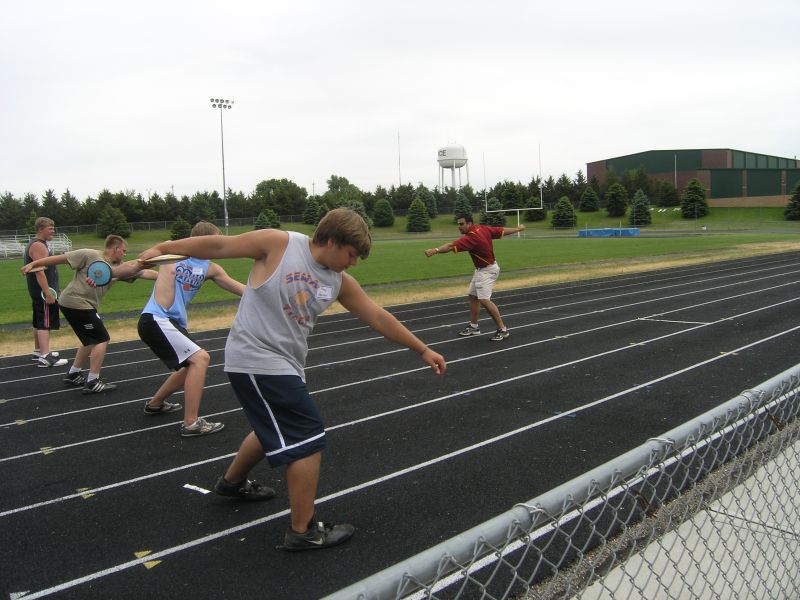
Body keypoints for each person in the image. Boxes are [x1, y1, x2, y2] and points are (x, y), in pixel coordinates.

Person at [139, 208, 446, 551]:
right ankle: (303, 531)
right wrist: (164, 247)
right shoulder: (278, 244)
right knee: (308, 433)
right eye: (352, 254)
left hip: (284, 366)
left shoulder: (338, 281)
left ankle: (231, 483)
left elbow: (377, 316)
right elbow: (217, 245)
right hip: (255, 359)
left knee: (271, 428)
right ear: (332, 241)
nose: (354, 262)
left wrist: (422, 349)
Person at [138, 221, 246, 438]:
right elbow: (146, 257)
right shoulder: (175, 254)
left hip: (172, 323)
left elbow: (240, 288)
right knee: (201, 359)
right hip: (157, 317)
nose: (219, 246)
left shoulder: (211, 268)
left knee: (189, 365)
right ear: (204, 242)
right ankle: (191, 423)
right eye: (216, 241)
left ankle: (155, 403)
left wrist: (271, 295)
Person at [22, 235, 156, 394]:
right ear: (115, 248)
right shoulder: (90, 255)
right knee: (102, 338)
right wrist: (34, 263)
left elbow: (143, 273)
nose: (125, 254)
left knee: (90, 340)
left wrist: (169, 278)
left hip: (81, 305)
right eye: (124, 251)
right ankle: (93, 381)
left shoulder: (116, 268)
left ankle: (73, 373)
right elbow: (60, 259)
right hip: (76, 302)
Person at [424, 214, 525, 341]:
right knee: (473, 297)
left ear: (470, 224)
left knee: (484, 300)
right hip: (481, 270)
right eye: (458, 224)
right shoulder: (483, 229)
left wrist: (435, 250)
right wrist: (518, 229)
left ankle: (502, 329)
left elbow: (450, 246)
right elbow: (502, 231)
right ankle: (474, 327)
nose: (459, 227)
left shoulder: (472, 238)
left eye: (461, 224)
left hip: (487, 270)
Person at [24, 217, 67, 367]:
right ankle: (45, 356)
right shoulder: (38, 246)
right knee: (44, 323)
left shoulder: (39, 244)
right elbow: (39, 271)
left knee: (39, 320)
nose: (53, 231)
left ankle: (38, 351)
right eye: (50, 228)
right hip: (43, 292)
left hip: (44, 290)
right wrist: (48, 292)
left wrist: (55, 287)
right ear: (40, 229)